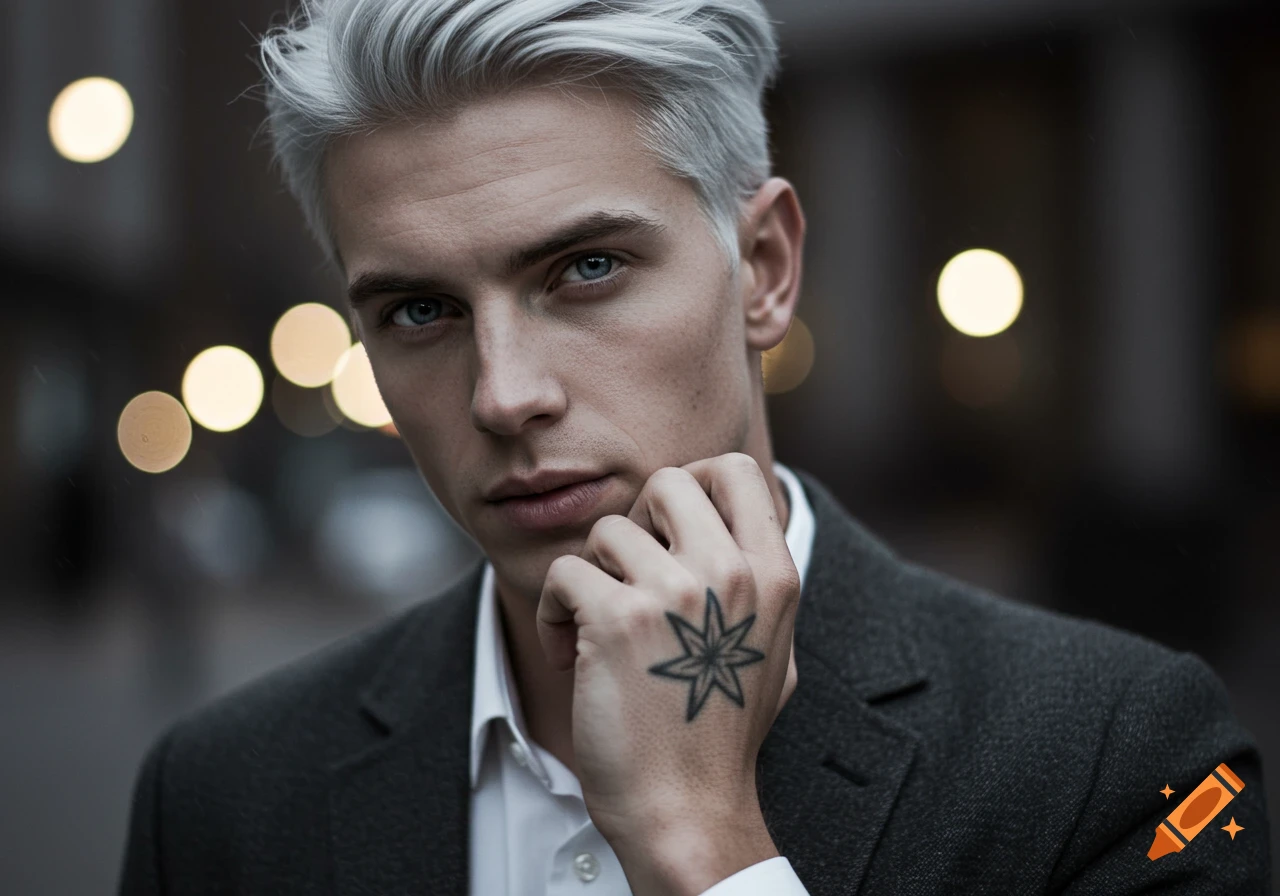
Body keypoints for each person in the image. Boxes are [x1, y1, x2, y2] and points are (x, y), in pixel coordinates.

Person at [118, 1, 1272, 893]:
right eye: (418, 311)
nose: (505, 394)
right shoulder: (222, 795)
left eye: (584, 269)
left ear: (762, 267)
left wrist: (706, 849)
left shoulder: (1118, 758)